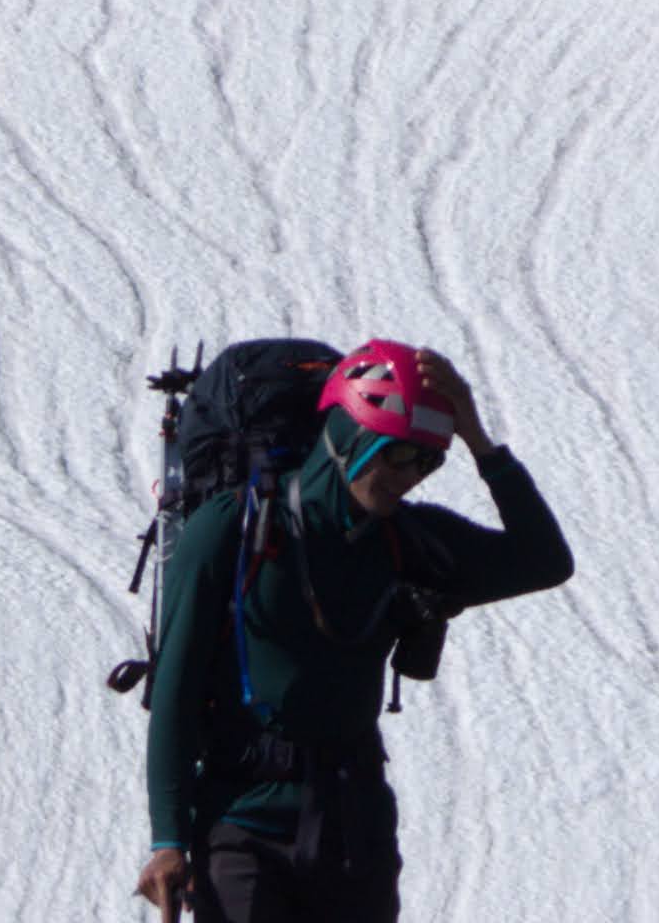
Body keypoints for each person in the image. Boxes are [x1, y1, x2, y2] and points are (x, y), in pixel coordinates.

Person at [134, 337, 572, 920]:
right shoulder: (231, 529)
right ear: (348, 435)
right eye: (396, 454)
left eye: (427, 461)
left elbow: (544, 561)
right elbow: (176, 691)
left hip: (353, 826)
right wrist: (169, 840)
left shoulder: (407, 540)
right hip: (242, 826)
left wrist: (478, 439)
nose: (409, 475)